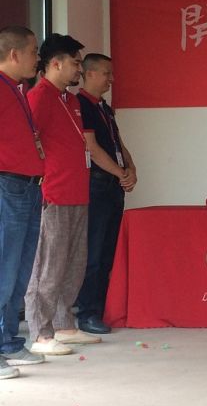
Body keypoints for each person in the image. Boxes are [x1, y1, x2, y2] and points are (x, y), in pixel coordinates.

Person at [25, 34, 102, 356]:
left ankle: (64, 324)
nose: (79, 70)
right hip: (53, 193)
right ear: (55, 64)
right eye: (75, 63)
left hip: (77, 191)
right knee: (49, 266)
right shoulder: (38, 97)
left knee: (73, 263)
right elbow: (29, 141)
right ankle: (40, 334)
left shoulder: (70, 100)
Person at [75, 53, 137, 334]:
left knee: (109, 251)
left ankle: (102, 308)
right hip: (97, 185)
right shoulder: (81, 104)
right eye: (106, 73)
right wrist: (119, 173)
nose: (111, 79)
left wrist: (130, 168)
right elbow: (92, 148)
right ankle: (88, 312)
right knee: (95, 252)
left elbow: (117, 143)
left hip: (113, 185)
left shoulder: (104, 108)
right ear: (89, 74)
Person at [0, 26, 46, 379]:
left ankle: (9, 342)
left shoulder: (16, 89)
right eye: (33, 52)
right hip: (7, 186)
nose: (37, 59)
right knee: (4, 268)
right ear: (14, 54)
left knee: (20, 271)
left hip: (29, 187)